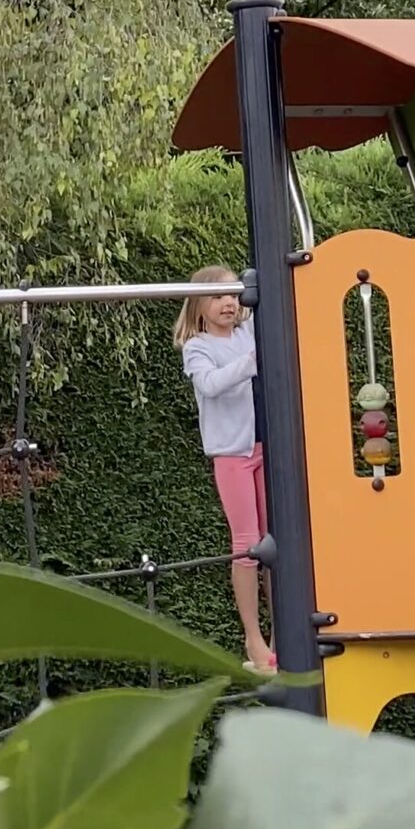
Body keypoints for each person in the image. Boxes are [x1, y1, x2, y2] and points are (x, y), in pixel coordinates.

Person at [177, 265, 273, 671]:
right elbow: (210, 385)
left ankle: (283, 635)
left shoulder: (248, 333)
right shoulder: (197, 347)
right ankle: (253, 638)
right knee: (248, 546)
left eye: (233, 295)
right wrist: (250, 362)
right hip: (233, 454)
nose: (228, 303)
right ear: (199, 305)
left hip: (267, 448)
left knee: (276, 543)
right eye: (217, 297)